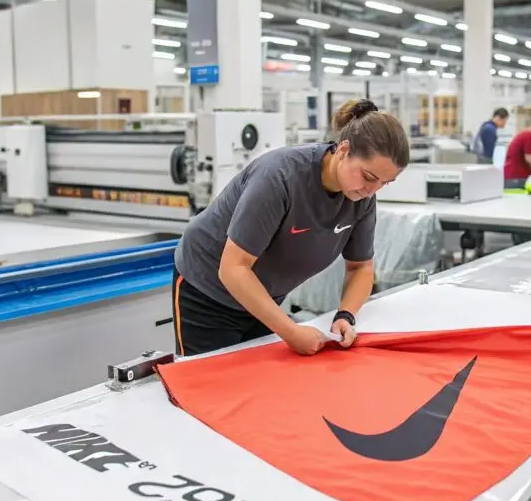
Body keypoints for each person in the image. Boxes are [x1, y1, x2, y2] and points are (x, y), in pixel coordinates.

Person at [171, 99, 409, 357]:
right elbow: (233, 268)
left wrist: (346, 315)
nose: (371, 190)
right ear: (343, 149)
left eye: (385, 183)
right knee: (209, 386)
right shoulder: (280, 177)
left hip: (263, 298)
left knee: (259, 381)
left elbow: (360, 267)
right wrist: (290, 332)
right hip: (208, 292)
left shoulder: (361, 198)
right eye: (368, 176)